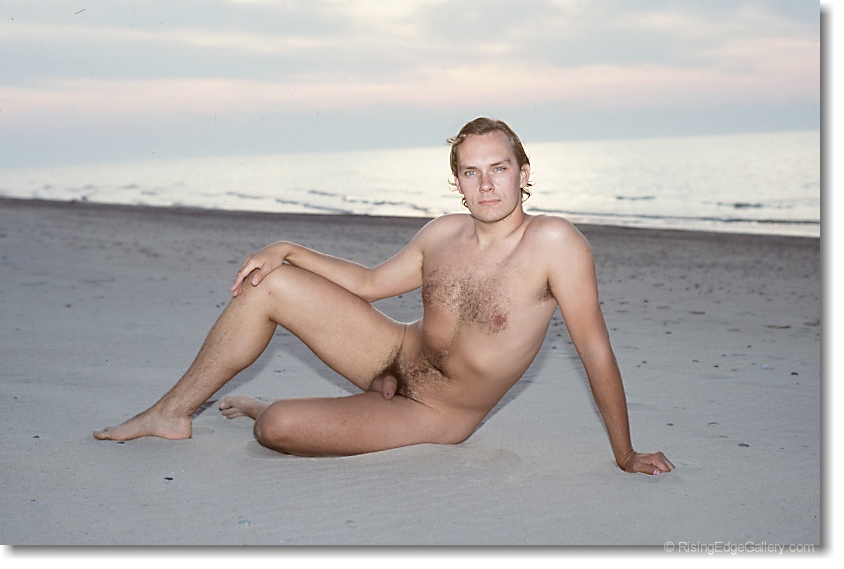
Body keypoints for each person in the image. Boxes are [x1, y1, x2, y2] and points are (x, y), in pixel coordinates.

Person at [94, 117, 674, 475]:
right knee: (267, 282)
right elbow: (370, 283)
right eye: (471, 172)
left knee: (275, 428)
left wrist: (625, 453)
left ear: (524, 172)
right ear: (457, 182)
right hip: (391, 353)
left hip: (436, 412)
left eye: (499, 168)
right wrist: (287, 249)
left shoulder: (555, 243)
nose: (486, 184)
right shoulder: (442, 233)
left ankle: (260, 405)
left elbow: (594, 349)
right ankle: (171, 413)